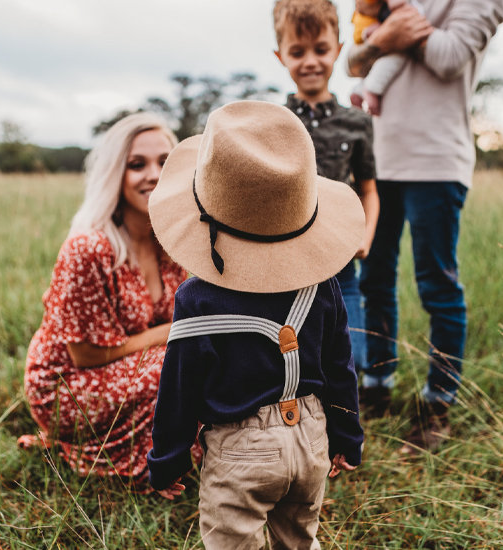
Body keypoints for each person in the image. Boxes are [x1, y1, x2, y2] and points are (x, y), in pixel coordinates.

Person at [147, 101, 365, 548]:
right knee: (300, 539)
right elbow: (341, 368)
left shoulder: (196, 297)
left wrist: (167, 460)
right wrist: (347, 434)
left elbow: (180, 387)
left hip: (240, 451)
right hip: (312, 438)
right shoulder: (323, 287)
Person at [347, 0, 503, 450]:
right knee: (374, 278)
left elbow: (447, 56)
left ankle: (437, 403)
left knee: (437, 284)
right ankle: (377, 384)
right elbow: (352, 60)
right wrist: (386, 36)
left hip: (437, 162)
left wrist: (396, 34)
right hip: (378, 159)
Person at [21, 113, 189, 484]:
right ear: (115, 174)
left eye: (164, 162)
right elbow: (86, 354)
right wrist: (172, 334)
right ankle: (107, 453)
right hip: (68, 383)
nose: (154, 174)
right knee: (183, 366)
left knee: (204, 359)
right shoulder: (89, 247)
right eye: (136, 164)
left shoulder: (173, 242)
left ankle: (150, 446)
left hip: (130, 364)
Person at [274, 0, 379, 376]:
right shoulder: (274, 121)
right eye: (297, 52)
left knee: (347, 339)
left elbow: (368, 189)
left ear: (337, 50)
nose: (311, 62)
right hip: (284, 255)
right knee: (291, 340)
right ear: (280, 56)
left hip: (341, 256)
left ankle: (349, 409)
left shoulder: (357, 123)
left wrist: (365, 236)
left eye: (321, 50)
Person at [350, 0, 424, 115]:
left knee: (388, 57)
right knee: (397, 56)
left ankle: (360, 90)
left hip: (372, 29)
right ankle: (371, 88)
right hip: (374, 29)